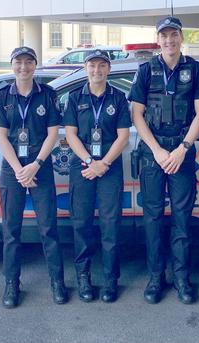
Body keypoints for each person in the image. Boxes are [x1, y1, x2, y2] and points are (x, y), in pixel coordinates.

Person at [128, 16, 199, 304]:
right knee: (152, 218)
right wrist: (157, 150)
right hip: (154, 155)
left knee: (182, 218)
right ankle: (155, 278)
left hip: (182, 154)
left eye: (173, 35)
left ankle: (181, 278)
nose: (169, 40)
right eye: (164, 36)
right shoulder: (145, 71)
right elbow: (136, 114)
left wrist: (182, 148)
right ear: (158, 39)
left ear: (181, 37)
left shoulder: (196, 69)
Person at [0, 46, 68, 308]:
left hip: (40, 166)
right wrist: (19, 170)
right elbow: (1, 136)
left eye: (28, 62)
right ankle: (11, 284)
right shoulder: (2, 96)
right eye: (18, 62)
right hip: (12, 169)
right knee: (11, 230)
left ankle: (57, 281)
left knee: (49, 228)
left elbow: (53, 133)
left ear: (35, 65)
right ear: (12, 65)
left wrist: (35, 164)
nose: (23, 67)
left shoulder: (47, 94)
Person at [63, 50, 131, 303]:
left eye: (102, 65)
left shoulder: (119, 98)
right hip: (82, 167)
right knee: (81, 223)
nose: (97, 70)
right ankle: (83, 277)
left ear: (109, 69)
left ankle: (111, 280)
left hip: (110, 167)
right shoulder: (74, 97)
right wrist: (91, 162)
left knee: (110, 225)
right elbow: (70, 135)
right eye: (92, 65)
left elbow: (123, 136)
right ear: (85, 68)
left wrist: (103, 163)